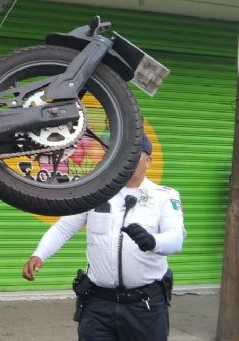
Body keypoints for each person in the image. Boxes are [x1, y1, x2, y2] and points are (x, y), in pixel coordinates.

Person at [23, 134, 185, 341]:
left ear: (149, 161)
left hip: (145, 306)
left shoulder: (164, 196)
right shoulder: (95, 192)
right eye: (123, 154)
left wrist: (153, 242)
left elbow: (176, 239)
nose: (128, 159)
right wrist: (40, 254)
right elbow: (64, 227)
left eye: (136, 154)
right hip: (98, 304)